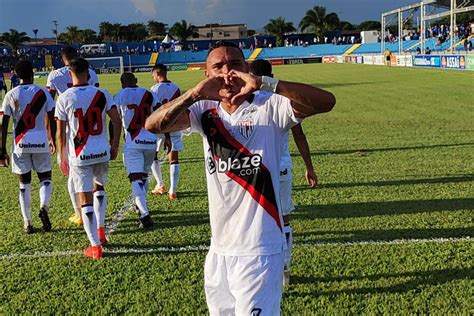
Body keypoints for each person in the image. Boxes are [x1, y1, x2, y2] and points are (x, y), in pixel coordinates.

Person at [145, 41, 335, 315]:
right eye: (218, 67)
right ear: (207, 75)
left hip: (260, 249)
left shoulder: (271, 105)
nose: (227, 73)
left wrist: (266, 84)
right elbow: (153, 125)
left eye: (235, 64)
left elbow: (326, 102)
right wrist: (193, 95)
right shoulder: (203, 111)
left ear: (246, 68)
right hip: (220, 250)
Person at [249, 59, 318, 286]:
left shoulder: (244, 99)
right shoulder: (284, 99)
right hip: (281, 167)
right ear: (272, 74)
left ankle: (258, 268)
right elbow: (299, 135)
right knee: (282, 219)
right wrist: (309, 166)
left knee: (253, 220)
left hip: (253, 169)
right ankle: (285, 267)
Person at [55, 58, 121, 259]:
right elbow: (116, 120)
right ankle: (101, 230)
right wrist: (114, 144)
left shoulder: (65, 97)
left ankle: (95, 246)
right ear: (89, 72)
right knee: (99, 188)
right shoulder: (101, 94)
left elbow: (60, 132)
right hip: (102, 151)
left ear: (69, 73)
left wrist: (61, 155)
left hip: (80, 155)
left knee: (85, 199)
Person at [46, 46, 101, 226]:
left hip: (70, 127)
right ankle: (95, 213)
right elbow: (97, 99)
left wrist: (51, 136)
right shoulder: (90, 72)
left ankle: (79, 212)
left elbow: (50, 106)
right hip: (92, 128)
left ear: (63, 60)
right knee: (94, 173)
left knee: (72, 172)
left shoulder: (54, 75)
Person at [0, 60, 55, 234]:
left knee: (24, 184)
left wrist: (1, 150)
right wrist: (52, 138)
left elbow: (3, 123)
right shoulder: (43, 93)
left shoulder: (11, 94)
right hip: (40, 141)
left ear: (16, 74)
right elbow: (51, 117)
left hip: (20, 144)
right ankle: (44, 207)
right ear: (32, 72)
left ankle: (28, 223)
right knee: (45, 178)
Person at [114, 73, 156, 228]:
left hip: (132, 142)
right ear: (136, 81)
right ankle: (141, 206)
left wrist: (114, 142)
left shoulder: (119, 95)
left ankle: (144, 213)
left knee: (135, 178)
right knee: (144, 176)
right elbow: (160, 115)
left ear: (122, 83)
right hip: (151, 141)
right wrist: (167, 137)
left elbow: (115, 121)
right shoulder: (149, 94)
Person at [149, 64, 182, 199]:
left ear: (157, 74)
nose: (153, 79)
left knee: (153, 155)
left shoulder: (153, 89)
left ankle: (160, 184)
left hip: (158, 126)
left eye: (153, 76)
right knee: (173, 157)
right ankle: (172, 190)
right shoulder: (176, 88)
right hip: (174, 125)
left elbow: (153, 109)